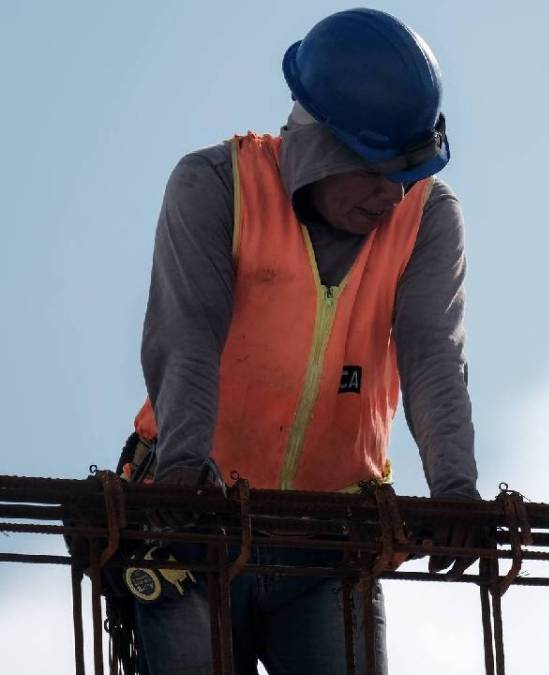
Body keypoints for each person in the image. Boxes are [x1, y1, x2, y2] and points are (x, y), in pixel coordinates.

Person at [127, 9, 480, 673]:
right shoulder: (214, 187)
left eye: (408, 173)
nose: (394, 196)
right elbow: (186, 339)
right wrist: (181, 477)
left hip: (328, 543)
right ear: (320, 147)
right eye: (378, 173)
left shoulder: (429, 219)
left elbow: (434, 356)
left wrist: (455, 485)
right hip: (195, 531)